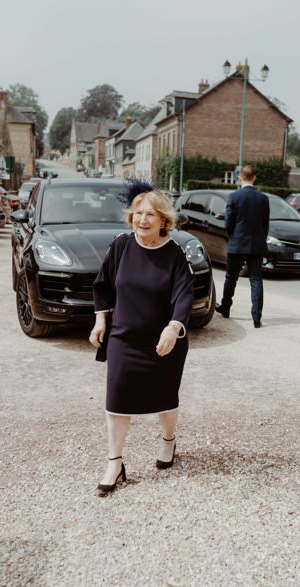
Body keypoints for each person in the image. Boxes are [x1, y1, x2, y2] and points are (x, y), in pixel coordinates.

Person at [89, 183, 195, 496]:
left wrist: (173, 328)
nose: (142, 219)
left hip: (164, 341)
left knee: (165, 399)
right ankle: (115, 463)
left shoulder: (174, 254)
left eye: (150, 214)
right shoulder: (121, 246)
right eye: (138, 213)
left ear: (163, 220)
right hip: (124, 337)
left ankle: (168, 441)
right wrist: (100, 320)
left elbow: (184, 295)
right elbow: (102, 285)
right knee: (117, 400)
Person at [215, 165, 270, 328]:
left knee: (231, 278)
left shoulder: (234, 197)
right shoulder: (263, 198)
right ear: (254, 178)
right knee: (256, 279)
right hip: (256, 244)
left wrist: (233, 236)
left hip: (237, 244)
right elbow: (265, 224)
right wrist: (261, 239)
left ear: (240, 177)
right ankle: (257, 317)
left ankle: (225, 309)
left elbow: (228, 223)